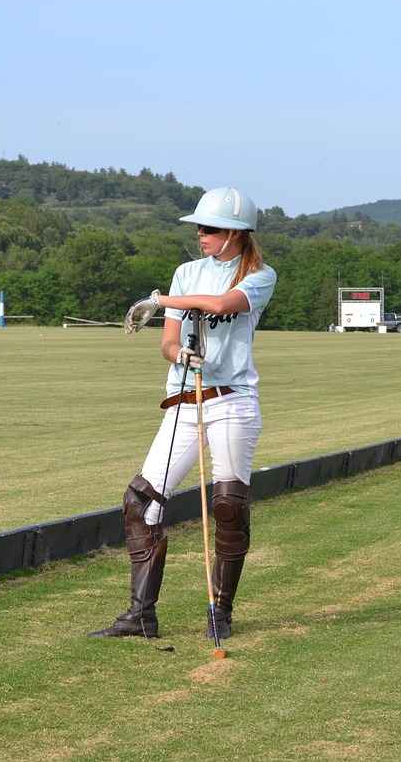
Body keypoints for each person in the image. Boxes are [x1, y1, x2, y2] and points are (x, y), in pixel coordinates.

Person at [89, 187, 277, 640]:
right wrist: (180, 355)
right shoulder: (186, 273)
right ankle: (141, 615)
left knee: (228, 504)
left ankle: (221, 611)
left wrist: (158, 301)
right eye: (199, 227)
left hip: (232, 400)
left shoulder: (259, 275)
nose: (200, 234)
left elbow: (220, 305)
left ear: (235, 233)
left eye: (209, 228)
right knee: (141, 501)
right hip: (184, 400)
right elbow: (168, 343)